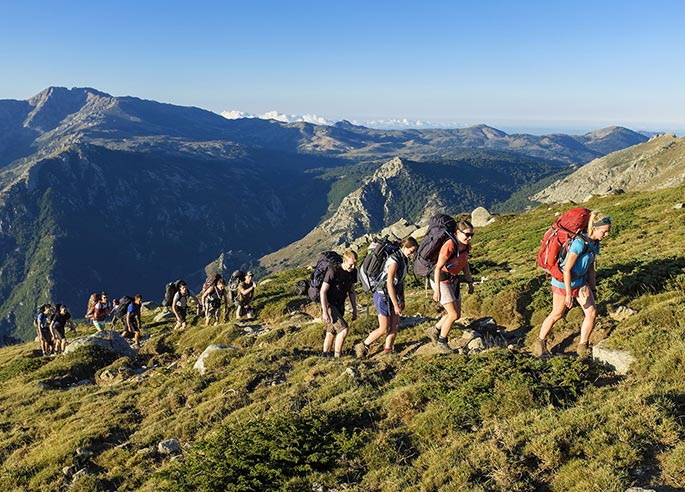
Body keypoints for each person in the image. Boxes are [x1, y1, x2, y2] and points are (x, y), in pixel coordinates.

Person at [534, 211, 611, 357]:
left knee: (592, 312)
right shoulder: (578, 243)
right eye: (604, 231)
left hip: (580, 282)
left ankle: (583, 346)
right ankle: (540, 343)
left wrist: (593, 289)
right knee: (557, 314)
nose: (606, 235)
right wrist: (569, 294)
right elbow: (567, 270)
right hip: (563, 283)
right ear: (594, 228)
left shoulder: (595, 243)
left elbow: (590, 268)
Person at [355, 237, 418, 358]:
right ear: (404, 247)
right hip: (382, 295)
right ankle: (363, 345)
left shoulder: (404, 260)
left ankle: (388, 350)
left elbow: (401, 281)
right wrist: (395, 304)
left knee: (394, 324)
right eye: (411, 251)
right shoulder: (394, 261)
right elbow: (389, 284)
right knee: (383, 328)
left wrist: (402, 299)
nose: (412, 254)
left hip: (394, 294)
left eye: (414, 251)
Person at [425, 220, 476, 353]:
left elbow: (465, 263)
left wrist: (470, 282)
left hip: (453, 280)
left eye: (472, 235)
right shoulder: (449, 246)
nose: (469, 238)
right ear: (457, 232)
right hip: (441, 281)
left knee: (457, 314)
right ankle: (442, 341)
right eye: (467, 234)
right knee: (453, 314)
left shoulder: (465, 246)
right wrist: (437, 290)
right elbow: (437, 268)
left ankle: (434, 330)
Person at [321, 250, 358, 358]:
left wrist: (354, 309)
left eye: (355, 264)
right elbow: (323, 291)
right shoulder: (333, 271)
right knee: (343, 330)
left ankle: (325, 355)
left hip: (340, 305)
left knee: (331, 331)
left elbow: (351, 291)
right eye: (351, 264)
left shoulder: (353, 272)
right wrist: (325, 312)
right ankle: (338, 356)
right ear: (344, 261)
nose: (352, 267)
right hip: (329, 305)